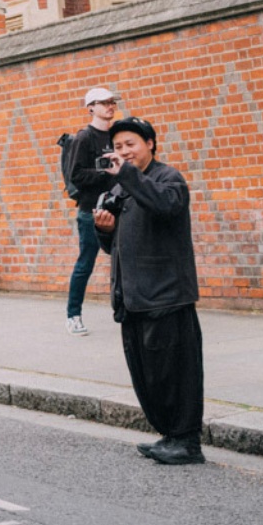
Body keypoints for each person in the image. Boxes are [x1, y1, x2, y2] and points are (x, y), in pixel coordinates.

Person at [92, 116, 204, 465]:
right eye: (118, 146)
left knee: (176, 373)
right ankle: (169, 435)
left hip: (166, 296)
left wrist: (126, 174)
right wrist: (104, 229)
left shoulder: (168, 178)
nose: (123, 151)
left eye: (131, 144)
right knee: (149, 375)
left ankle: (186, 441)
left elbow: (166, 205)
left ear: (150, 144)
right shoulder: (121, 187)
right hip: (133, 299)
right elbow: (115, 246)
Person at [60, 87, 121, 336]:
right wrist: (105, 172)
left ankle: (126, 308)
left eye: (112, 102)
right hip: (91, 211)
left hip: (118, 207)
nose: (110, 106)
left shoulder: (117, 135)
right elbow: (76, 175)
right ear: (91, 108)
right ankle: (73, 315)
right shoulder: (84, 138)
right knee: (86, 262)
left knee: (124, 259)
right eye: (104, 102)